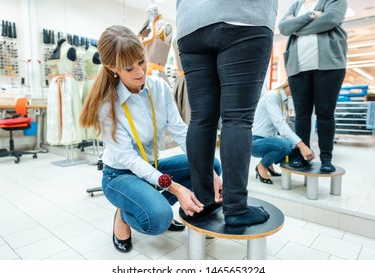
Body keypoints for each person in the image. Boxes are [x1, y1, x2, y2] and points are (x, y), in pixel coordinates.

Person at [79, 25, 222, 253]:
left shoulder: (159, 88)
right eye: (129, 68)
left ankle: (171, 206)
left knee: (211, 165)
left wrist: (209, 173)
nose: (140, 72)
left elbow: (180, 131)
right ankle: (125, 215)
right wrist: (175, 188)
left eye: (141, 62)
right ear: (112, 68)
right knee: (157, 220)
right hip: (120, 175)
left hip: (149, 166)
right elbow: (128, 159)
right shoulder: (107, 105)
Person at [176, 0, 278, 226]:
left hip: (191, 23)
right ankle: (236, 209)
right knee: (237, 120)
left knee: (201, 119)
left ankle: (203, 200)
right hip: (243, 15)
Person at [278, 0, 348, 172]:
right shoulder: (297, 4)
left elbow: (330, 19)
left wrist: (297, 28)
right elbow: (283, 28)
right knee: (302, 115)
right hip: (297, 67)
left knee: (325, 114)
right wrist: (310, 15)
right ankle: (303, 156)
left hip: (329, 65)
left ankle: (326, 158)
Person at [252, 80, 315, 184]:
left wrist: (303, 147)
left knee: (301, 152)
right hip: (255, 141)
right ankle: (262, 166)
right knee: (286, 146)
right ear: (290, 84)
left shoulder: (284, 101)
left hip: (268, 140)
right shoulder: (272, 96)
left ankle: (269, 164)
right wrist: (301, 145)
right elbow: (280, 124)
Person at [46, 38, 83, 146]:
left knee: (69, 111)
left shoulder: (70, 49)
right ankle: (57, 138)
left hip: (67, 84)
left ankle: (70, 138)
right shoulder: (55, 50)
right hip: (54, 85)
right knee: (55, 112)